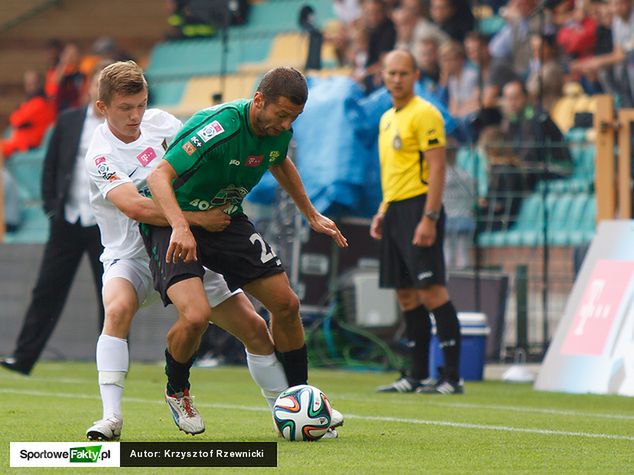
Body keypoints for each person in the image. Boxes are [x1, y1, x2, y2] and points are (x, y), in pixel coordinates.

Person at [83, 61, 342, 441]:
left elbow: (271, 156)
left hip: (198, 230)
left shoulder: (164, 125)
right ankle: (112, 418)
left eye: (141, 104)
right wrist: (195, 222)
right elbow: (138, 206)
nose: (136, 115)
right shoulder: (100, 156)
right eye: (126, 108)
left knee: (259, 325)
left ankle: (294, 407)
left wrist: (309, 211)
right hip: (140, 248)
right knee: (123, 309)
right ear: (103, 107)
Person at [0, 64, 108, 376]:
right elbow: (51, 166)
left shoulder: (120, 126)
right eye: (97, 83)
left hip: (105, 224)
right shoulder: (69, 120)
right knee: (47, 290)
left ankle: (112, 363)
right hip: (67, 220)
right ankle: (23, 357)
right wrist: (51, 208)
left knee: (111, 294)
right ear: (89, 87)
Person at [370, 49, 463, 395]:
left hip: (419, 209)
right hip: (395, 210)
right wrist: (382, 210)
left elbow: (437, 167)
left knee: (431, 290)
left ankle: (453, 377)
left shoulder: (426, 113)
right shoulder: (386, 118)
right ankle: (416, 374)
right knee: (407, 295)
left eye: (403, 73)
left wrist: (430, 216)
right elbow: (392, 172)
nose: (396, 79)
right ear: (383, 75)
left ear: (415, 75)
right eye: (391, 73)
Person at [1, 70, 56, 160]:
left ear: (39, 84)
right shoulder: (33, 101)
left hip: (29, 144)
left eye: (32, 84)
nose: (29, 87)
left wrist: (18, 112)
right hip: (22, 142)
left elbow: (15, 120)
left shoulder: (38, 102)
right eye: (27, 84)